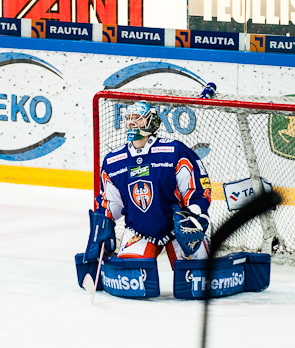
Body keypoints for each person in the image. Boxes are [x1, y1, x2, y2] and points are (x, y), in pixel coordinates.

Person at [83, 100, 212, 279]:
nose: (131, 123)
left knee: (197, 279)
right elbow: (111, 203)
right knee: (131, 279)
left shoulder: (174, 150)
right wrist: (102, 224)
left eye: (138, 118)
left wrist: (195, 214)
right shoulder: (114, 160)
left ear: (151, 121)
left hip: (179, 230)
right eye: (129, 118)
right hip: (139, 230)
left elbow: (196, 188)